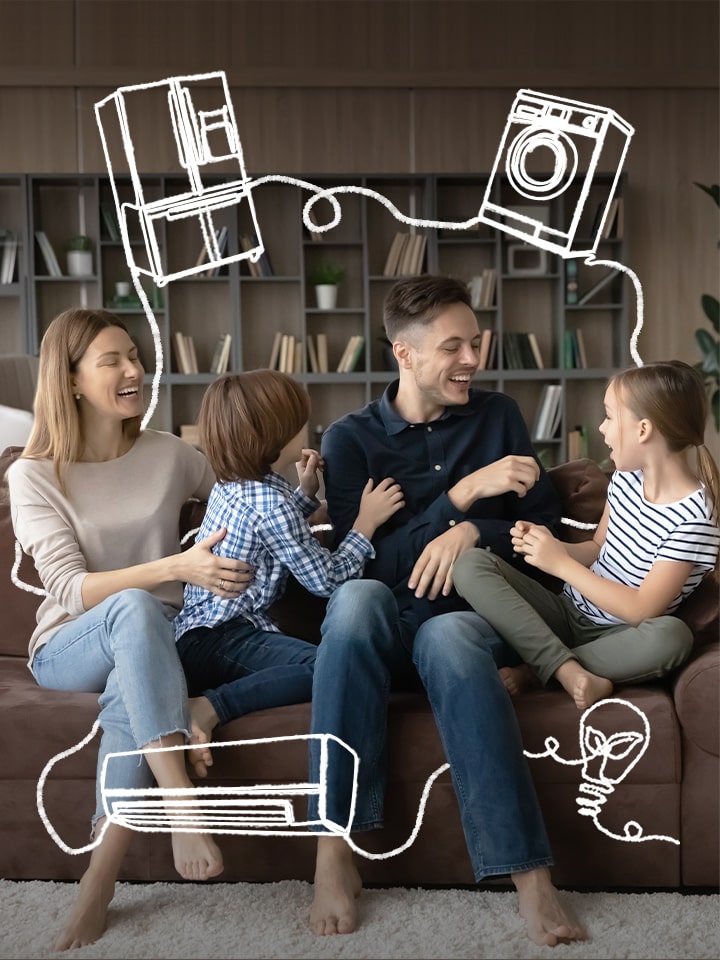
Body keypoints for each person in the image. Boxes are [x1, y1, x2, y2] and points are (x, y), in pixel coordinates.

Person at [307, 274, 587, 947]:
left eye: (476, 342)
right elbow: (368, 562)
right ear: (404, 355)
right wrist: (462, 496)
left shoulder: (500, 418)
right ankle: (332, 849)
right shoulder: (351, 441)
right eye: (453, 346)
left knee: (452, 638)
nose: (472, 359)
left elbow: (540, 540)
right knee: (355, 600)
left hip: (467, 623)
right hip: (377, 631)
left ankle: (529, 874)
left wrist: (476, 535)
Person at [6, 308, 254, 952]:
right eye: (112, 360)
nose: (134, 371)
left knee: (133, 681)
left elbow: (242, 498)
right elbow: (67, 589)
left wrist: (302, 489)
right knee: (137, 610)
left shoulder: (172, 454)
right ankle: (180, 804)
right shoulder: (33, 474)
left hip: (155, 649)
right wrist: (175, 566)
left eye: (135, 357)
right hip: (68, 643)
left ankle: (97, 881)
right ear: (71, 380)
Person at [452, 360, 720, 711]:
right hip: (567, 612)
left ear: (643, 430)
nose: (602, 428)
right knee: (471, 563)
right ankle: (566, 670)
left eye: (610, 417)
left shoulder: (694, 519)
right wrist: (549, 548)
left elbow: (643, 609)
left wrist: (560, 565)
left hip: (621, 638)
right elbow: (597, 547)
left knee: (672, 636)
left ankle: (541, 670)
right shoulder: (625, 480)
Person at [174, 370, 405, 747]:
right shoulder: (271, 502)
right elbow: (327, 581)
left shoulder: (236, 482)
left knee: (330, 666)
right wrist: (366, 523)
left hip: (199, 635)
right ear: (273, 437)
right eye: (297, 423)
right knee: (328, 668)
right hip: (220, 639)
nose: (305, 428)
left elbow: (267, 536)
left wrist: (306, 492)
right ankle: (211, 706)